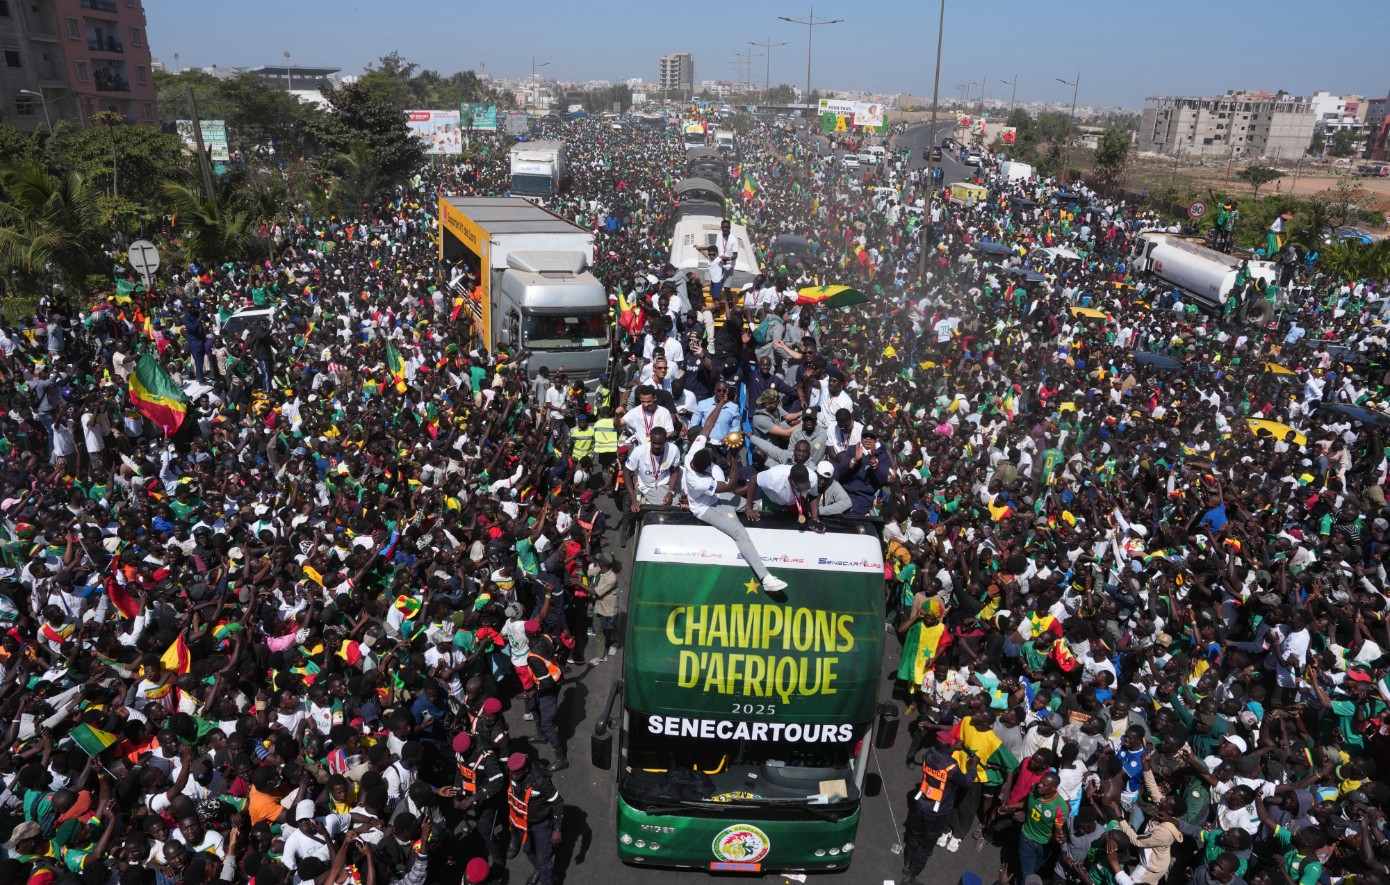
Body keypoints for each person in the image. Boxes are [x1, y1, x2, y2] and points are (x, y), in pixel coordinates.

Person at [684, 400, 788, 593]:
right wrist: (733, 460)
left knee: (756, 505)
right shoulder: (697, 481)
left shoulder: (692, 454)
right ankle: (766, 578)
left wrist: (722, 402)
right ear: (702, 467)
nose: (710, 450)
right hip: (706, 508)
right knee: (740, 533)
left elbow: (708, 425)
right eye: (710, 455)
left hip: (719, 498)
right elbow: (731, 485)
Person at [900, 739, 977, 884]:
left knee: (914, 836)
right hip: (937, 811)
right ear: (947, 746)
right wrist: (973, 765)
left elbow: (938, 755)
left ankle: (906, 866)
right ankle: (910, 875)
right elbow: (966, 782)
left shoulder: (926, 754)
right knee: (926, 846)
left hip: (921, 803)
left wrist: (952, 747)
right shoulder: (951, 767)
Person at [505, 752, 564, 885]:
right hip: (522, 822)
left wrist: (557, 829)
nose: (514, 777)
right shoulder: (513, 774)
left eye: (517, 774)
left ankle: (546, 879)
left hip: (540, 823)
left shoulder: (541, 781)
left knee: (544, 860)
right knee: (527, 849)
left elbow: (557, 802)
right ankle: (538, 870)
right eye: (512, 773)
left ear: (526, 770)